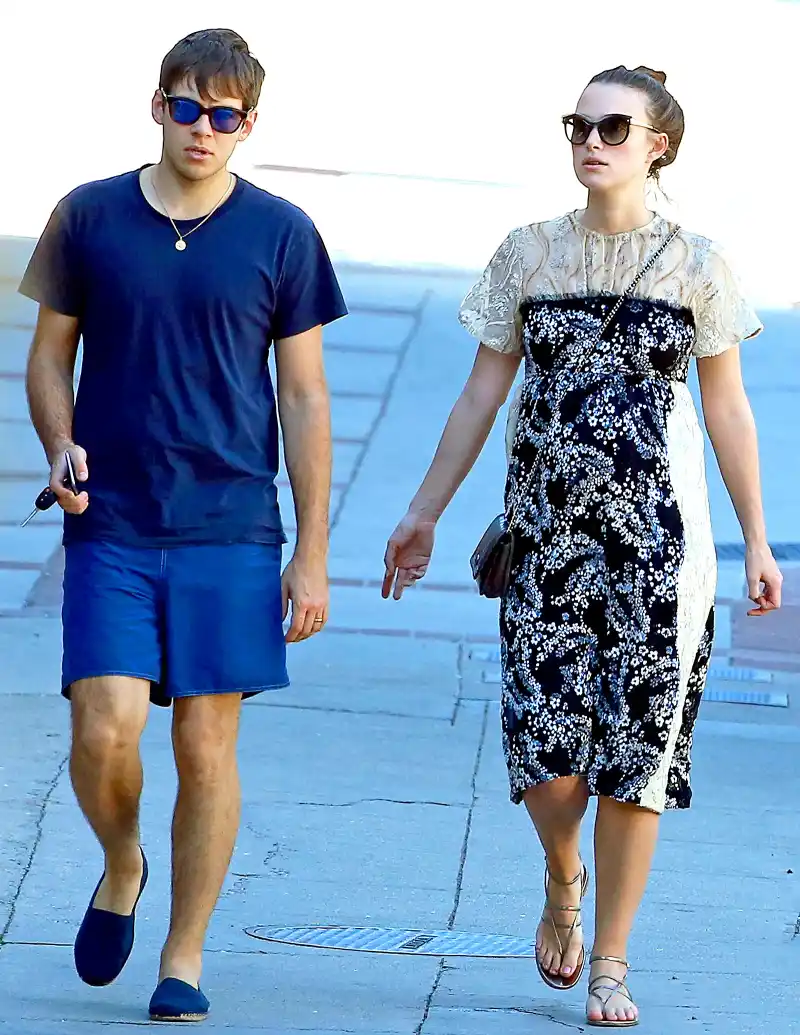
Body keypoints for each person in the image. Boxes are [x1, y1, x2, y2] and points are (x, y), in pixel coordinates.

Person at [382, 65, 782, 1028]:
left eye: (614, 126)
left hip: (659, 550)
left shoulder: (697, 263)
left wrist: (759, 542)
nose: (591, 141)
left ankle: (611, 959)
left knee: (638, 758)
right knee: (548, 755)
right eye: (578, 124)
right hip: (547, 541)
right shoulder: (528, 255)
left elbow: (727, 408)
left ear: (659, 146)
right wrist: (424, 511)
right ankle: (564, 872)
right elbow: (482, 392)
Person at [21, 27, 346, 1023]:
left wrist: (312, 554)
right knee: (103, 727)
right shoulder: (87, 216)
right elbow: (46, 358)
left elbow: (302, 396)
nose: (205, 129)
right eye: (188, 107)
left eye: (226, 115)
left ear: (249, 124)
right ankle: (123, 860)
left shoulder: (282, 233)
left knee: (206, 748)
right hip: (112, 519)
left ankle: (185, 954)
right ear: (156, 105)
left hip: (231, 528)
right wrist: (60, 444)